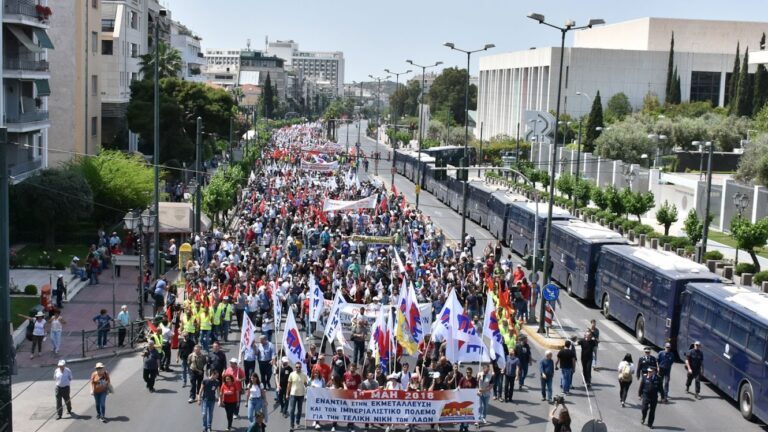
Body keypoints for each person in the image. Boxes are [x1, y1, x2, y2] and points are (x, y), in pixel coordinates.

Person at [287, 362, 308, 431]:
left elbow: (306, 384)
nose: (298, 368)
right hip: (293, 395)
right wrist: (287, 394)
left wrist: (310, 391)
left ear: (301, 367)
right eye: (297, 367)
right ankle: (292, 425)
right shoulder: (291, 374)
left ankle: (297, 422)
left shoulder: (304, 375)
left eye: (299, 367)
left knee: (299, 410)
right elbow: (289, 385)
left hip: (301, 395)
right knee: (292, 410)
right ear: (295, 367)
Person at [458, 367, 478, 432]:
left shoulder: (474, 380)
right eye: (467, 372)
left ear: (471, 373)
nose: (468, 373)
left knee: (467, 414)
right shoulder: (462, 379)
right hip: (463, 399)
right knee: (462, 413)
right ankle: (461, 426)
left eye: (469, 372)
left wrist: (478, 392)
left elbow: (476, 388)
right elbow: (459, 386)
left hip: (470, 400)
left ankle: (466, 427)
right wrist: (458, 389)